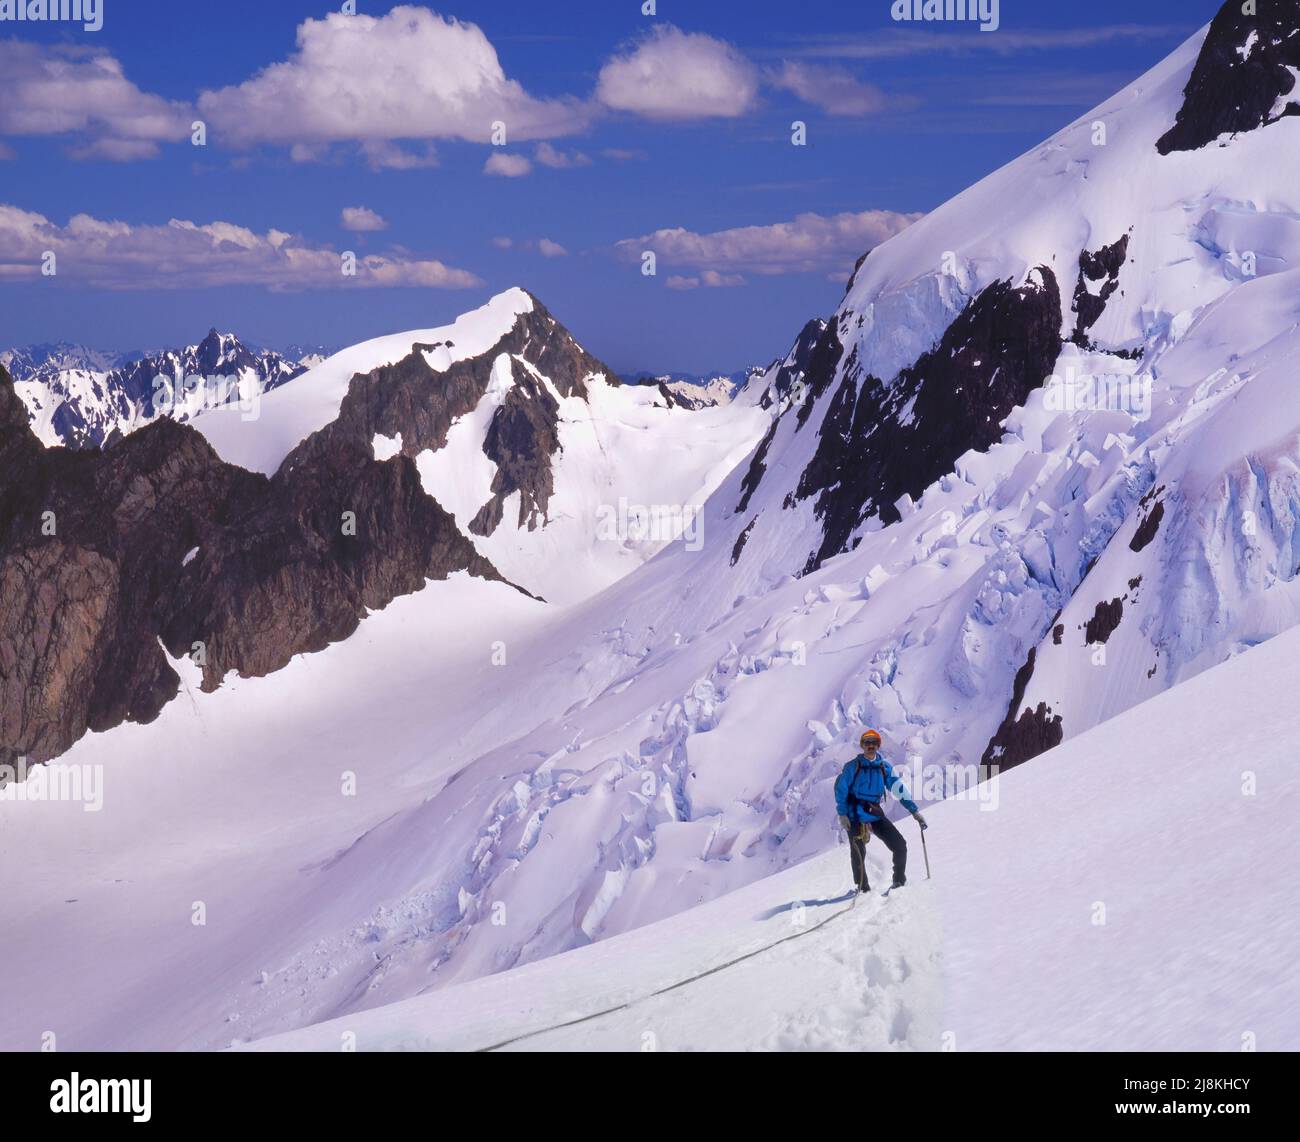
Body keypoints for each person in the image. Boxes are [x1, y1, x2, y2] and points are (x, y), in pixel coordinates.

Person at [834, 729, 927, 893]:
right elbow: (841, 790)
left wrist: (914, 811)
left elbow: (898, 789)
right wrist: (842, 814)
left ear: (878, 745)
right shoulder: (853, 767)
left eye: (873, 743)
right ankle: (862, 888)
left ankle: (899, 882)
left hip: (874, 814)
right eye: (867, 743)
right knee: (858, 852)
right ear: (862, 745)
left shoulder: (884, 768)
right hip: (854, 815)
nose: (870, 746)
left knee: (900, 845)